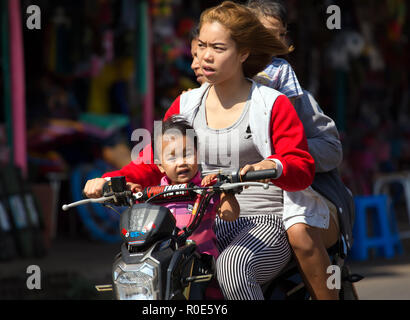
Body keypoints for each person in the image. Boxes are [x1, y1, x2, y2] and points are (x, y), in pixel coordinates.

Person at [84, 1, 321, 300]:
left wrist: (271, 166)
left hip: (266, 219)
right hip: (201, 219)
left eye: (218, 48)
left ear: (243, 52)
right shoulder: (185, 104)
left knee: (233, 265)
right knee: (152, 266)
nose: (205, 56)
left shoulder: (272, 103)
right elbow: (153, 163)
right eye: (203, 46)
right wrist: (111, 180)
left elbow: (301, 166)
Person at [246, 0, 354, 300]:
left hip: (301, 194)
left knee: (300, 232)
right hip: (239, 203)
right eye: (200, 49)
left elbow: (331, 149)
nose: (275, 43)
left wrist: (280, 158)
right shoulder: (200, 97)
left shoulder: (288, 88)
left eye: (280, 35)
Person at [127, 115, 240, 259]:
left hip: (200, 266)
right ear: (160, 165)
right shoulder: (152, 195)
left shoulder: (206, 189)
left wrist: (225, 190)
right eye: (172, 157)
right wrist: (131, 192)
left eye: (187, 154)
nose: (181, 162)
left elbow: (230, 215)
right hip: (163, 263)